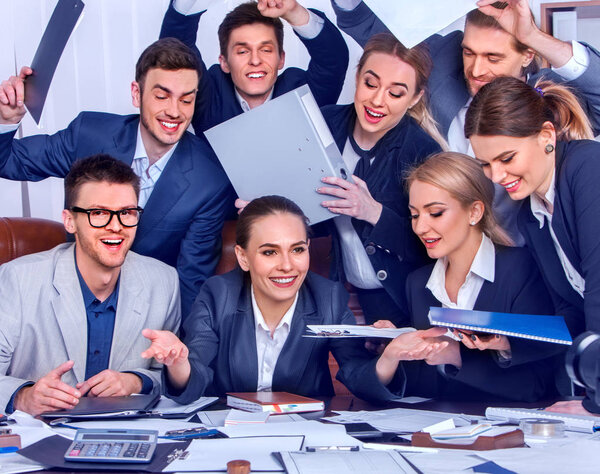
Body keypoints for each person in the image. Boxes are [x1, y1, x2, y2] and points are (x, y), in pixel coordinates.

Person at [0, 38, 233, 319]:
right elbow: (9, 161)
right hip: (67, 303)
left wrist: (172, 353)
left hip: (145, 317)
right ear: (136, 93)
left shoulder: (209, 180)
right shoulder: (89, 134)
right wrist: (7, 119)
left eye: (186, 99)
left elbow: (190, 282)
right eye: (162, 96)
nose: (175, 111)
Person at [330, 0, 600, 241]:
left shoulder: (550, 99)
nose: (477, 70)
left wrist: (533, 36)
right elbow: (371, 30)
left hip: (530, 258)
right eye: (469, 53)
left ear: (527, 55)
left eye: (493, 58)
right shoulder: (445, 63)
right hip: (443, 255)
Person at [141, 195, 402, 403]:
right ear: (243, 257)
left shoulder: (329, 297)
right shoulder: (217, 294)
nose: (287, 265)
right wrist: (178, 363)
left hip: (304, 436)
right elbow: (195, 375)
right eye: (270, 252)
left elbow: (357, 374)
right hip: (231, 438)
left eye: (297, 249)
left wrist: (389, 357)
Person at [0, 155, 180, 417]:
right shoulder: (16, 279)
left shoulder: (163, 282)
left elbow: (169, 374)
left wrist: (135, 381)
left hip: (128, 438)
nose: (116, 226)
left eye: (127, 212)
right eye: (98, 213)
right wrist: (23, 396)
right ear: (69, 221)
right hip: (41, 442)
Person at [375, 152, 560, 402]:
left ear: (474, 212)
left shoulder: (522, 270)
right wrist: (400, 346)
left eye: (436, 213)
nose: (419, 227)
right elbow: (422, 386)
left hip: (508, 433)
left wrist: (458, 357)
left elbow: (539, 385)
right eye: (415, 215)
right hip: (431, 432)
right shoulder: (418, 283)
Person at [465, 76, 598, 402]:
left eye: (507, 158)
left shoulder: (588, 167)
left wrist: (596, 406)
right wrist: (511, 339)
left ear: (546, 136)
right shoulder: (531, 215)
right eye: (486, 164)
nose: (496, 176)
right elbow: (572, 311)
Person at [315, 33, 443, 326]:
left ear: (415, 98)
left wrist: (373, 212)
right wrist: (266, 203)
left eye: (395, 93)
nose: (377, 100)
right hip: (337, 286)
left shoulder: (424, 151)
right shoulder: (323, 122)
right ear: (357, 77)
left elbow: (434, 247)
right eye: (370, 84)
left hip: (402, 297)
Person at [159, 0, 349, 132]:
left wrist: (294, 12)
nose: (255, 60)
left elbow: (334, 60)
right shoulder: (211, 95)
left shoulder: (300, 93)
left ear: (281, 59)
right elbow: (175, 51)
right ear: (224, 62)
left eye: (266, 50)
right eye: (242, 51)